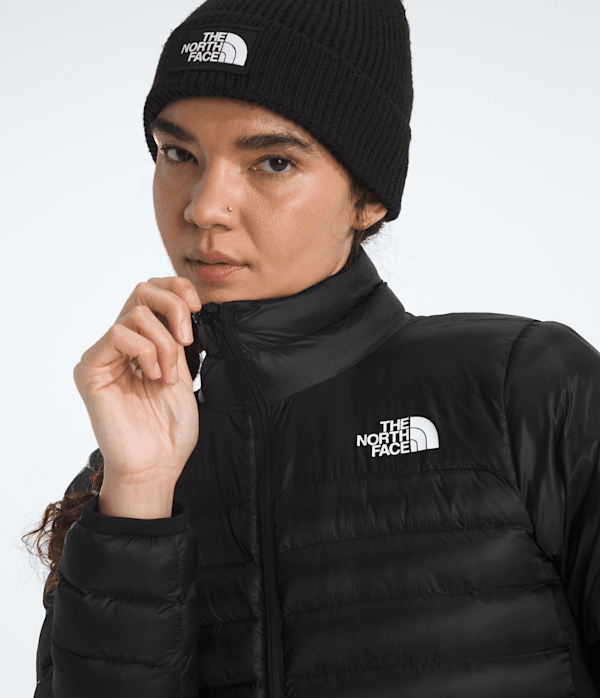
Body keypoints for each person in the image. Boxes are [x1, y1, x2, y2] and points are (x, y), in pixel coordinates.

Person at [23, 0, 600, 696]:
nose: (204, 208)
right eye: (178, 153)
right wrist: (139, 498)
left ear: (368, 198)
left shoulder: (522, 389)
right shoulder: (123, 478)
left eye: (272, 162)